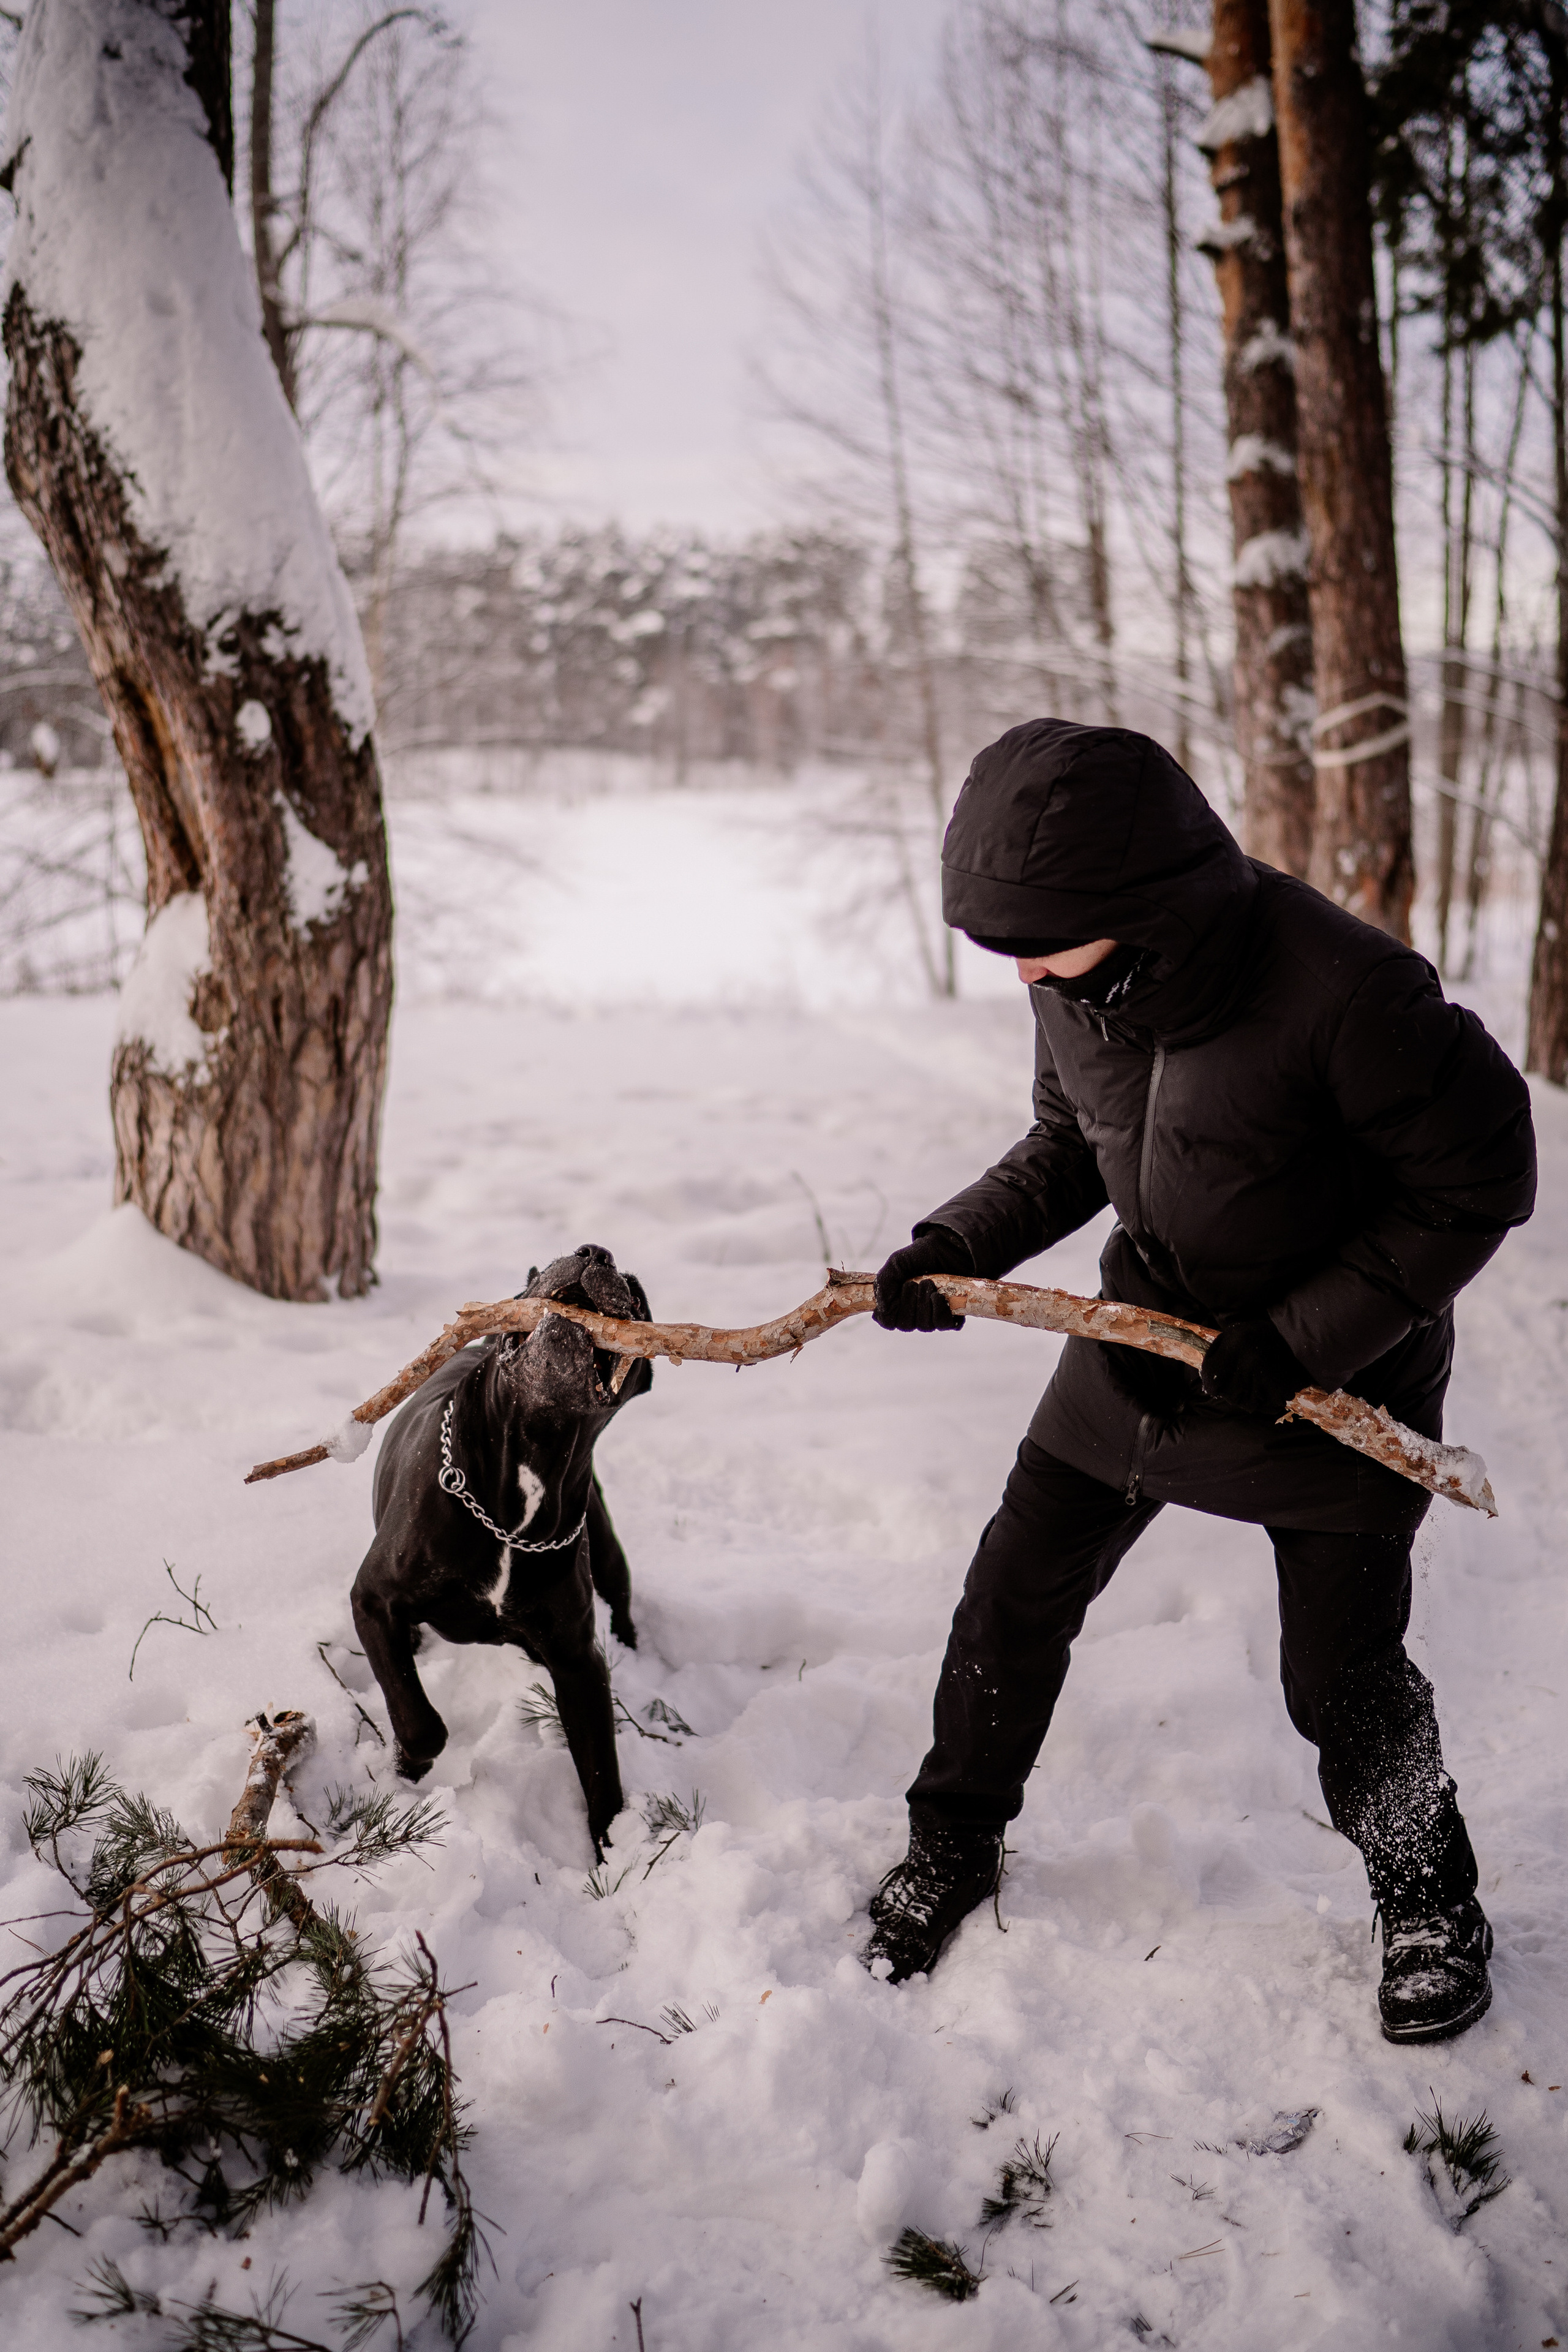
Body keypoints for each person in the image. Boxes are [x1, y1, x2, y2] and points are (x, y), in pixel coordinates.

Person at [864, 719, 1536, 2045]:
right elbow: (1073, 1141)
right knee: (1011, 1593)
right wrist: (955, 1246)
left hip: (1333, 1373)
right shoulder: (1081, 978)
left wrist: (1300, 1340)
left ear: (1139, 905)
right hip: (1146, 1333)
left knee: (1339, 1676)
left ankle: (1426, 1901)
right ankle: (951, 1841)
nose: (1022, 974)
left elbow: (1481, 1180)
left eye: (1036, 946)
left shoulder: (1347, 989)